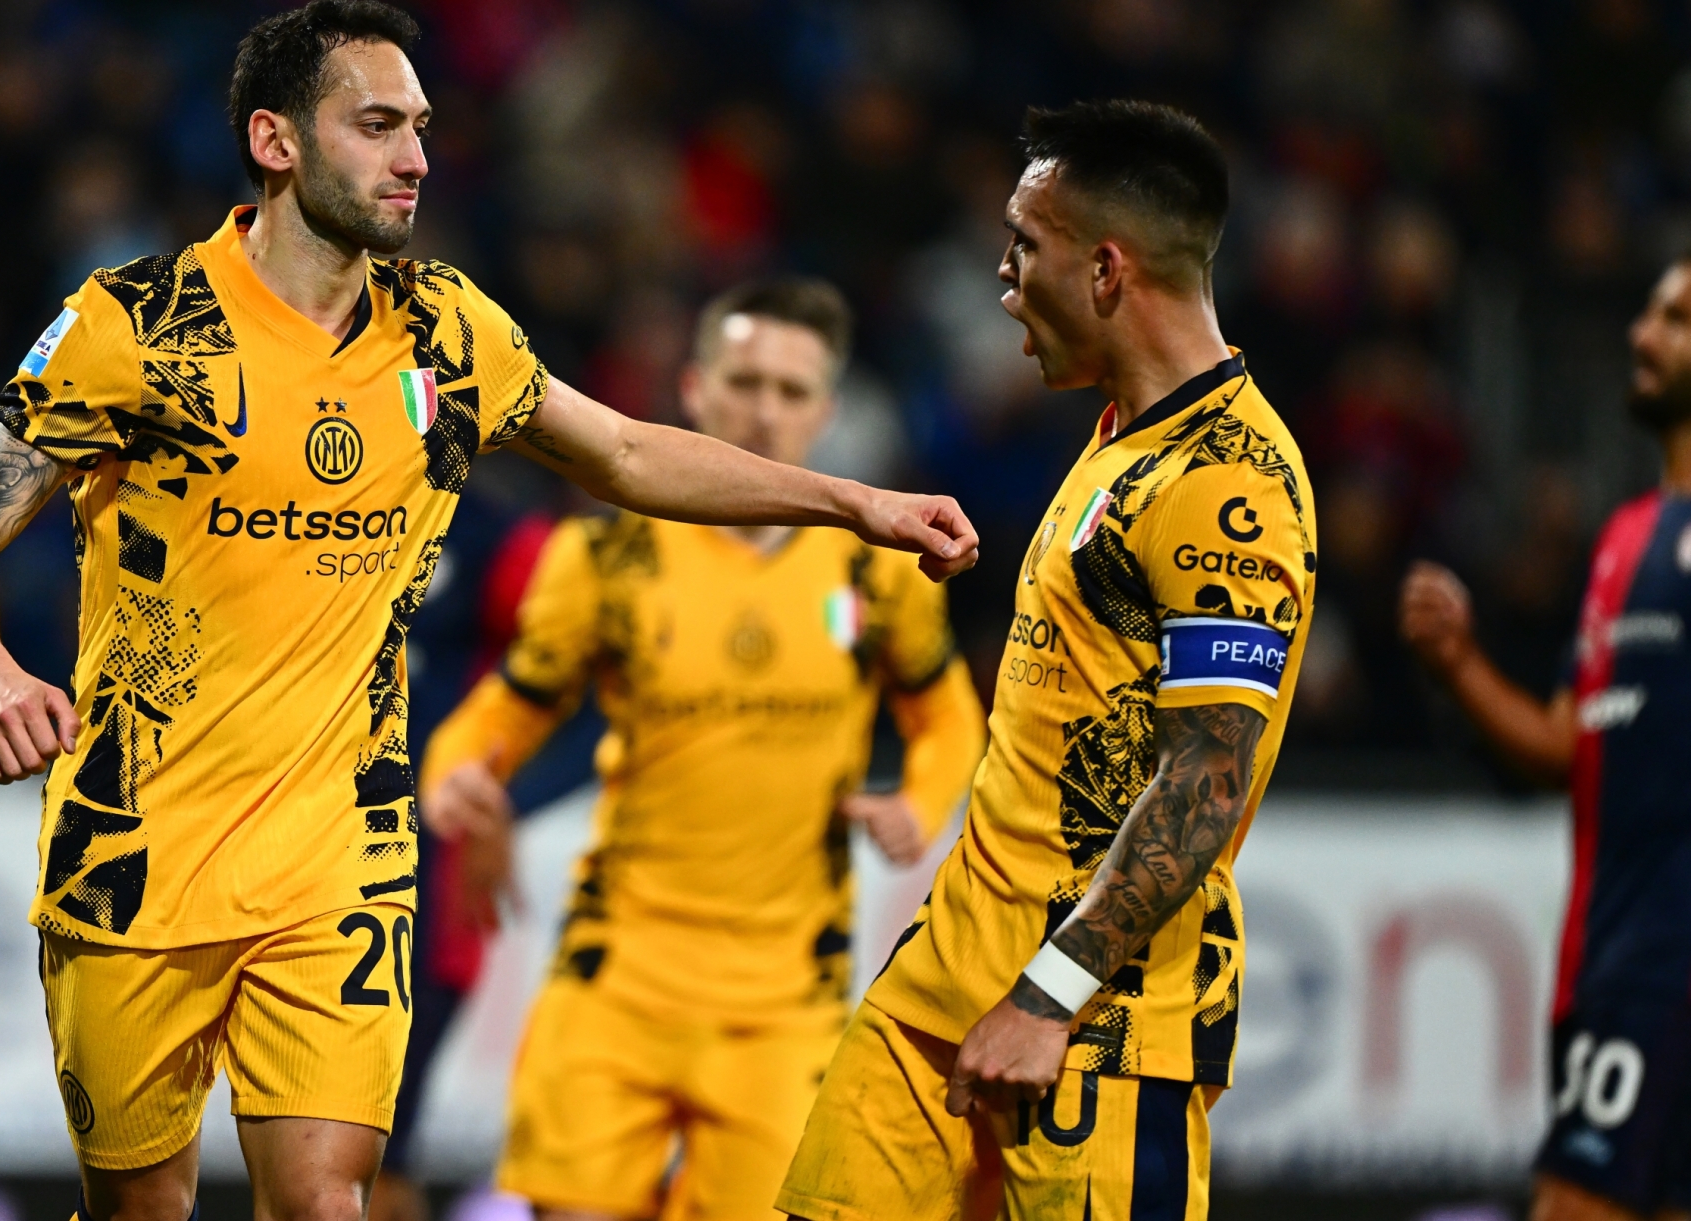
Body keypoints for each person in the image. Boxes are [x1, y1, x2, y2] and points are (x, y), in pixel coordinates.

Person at [0, 4, 978, 1220]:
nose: (415, 157)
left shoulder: (446, 330)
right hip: (134, 854)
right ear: (277, 140)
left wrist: (855, 502)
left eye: (420, 127)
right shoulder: (134, 328)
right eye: (375, 126)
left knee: (327, 1202)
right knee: (142, 1208)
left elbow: (621, 452)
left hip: (342, 860)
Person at [777, 100, 1316, 1221]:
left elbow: (1208, 778)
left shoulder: (1230, 485)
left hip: (1095, 1032)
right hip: (941, 987)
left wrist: (1049, 996)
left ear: (1107, 270)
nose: (1004, 279)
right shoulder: (1124, 431)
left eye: (1026, 248)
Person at [418, 277, 989, 1221]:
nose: (765, 409)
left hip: (783, 999)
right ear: (694, 390)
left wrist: (920, 803)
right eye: (745, 380)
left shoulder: (875, 573)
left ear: (828, 410)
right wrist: (457, 779)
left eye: (792, 390)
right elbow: (503, 713)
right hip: (617, 979)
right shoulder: (603, 561)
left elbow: (947, 718)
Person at [1401, 256, 1691, 1221]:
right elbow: (1569, 745)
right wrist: (1461, 664)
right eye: (1650, 311)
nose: (1640, 335)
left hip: (1663, 964)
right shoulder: (1625, 538)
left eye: (1677, 319)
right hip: (1605, 956)